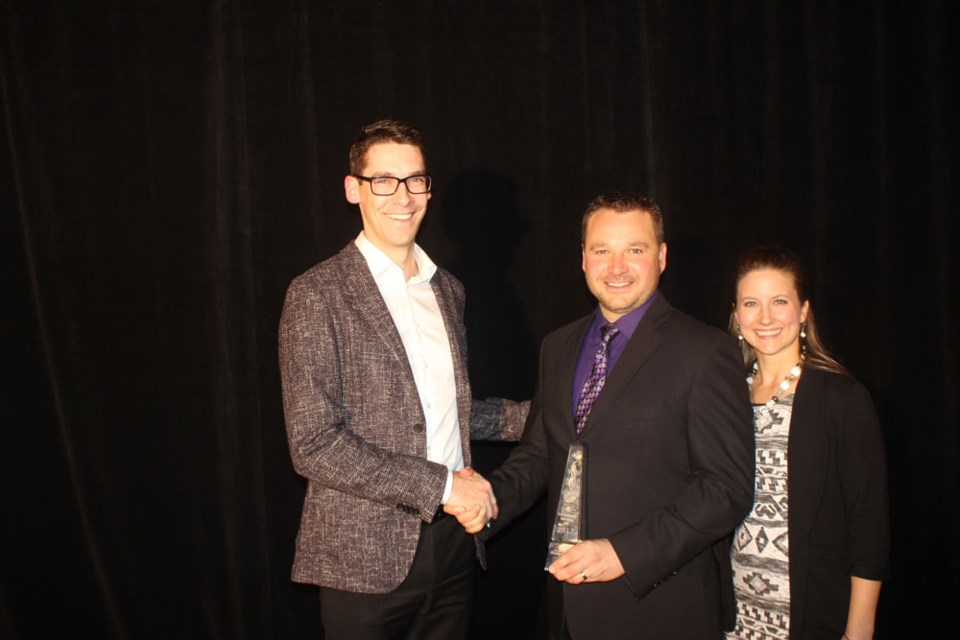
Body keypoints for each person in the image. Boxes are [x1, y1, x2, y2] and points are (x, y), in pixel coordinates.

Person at [278, 118, 528, 639]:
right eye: (384, 180)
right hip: (362, 561)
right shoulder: (316, 294)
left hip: (456, 548)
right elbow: (314, 444)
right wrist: (442, 487)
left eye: (416, 180)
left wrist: (543, 415)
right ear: (354, 189)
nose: (403, 196)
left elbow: (443, 411)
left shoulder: (448, 291)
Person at [469, 194, 755, 639]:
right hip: (567, 607)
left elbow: (726, 488)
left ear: (661, 257)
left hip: (659, 607)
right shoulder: (557, 345)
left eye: (634, 250)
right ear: (583, 259)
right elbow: (543, 453)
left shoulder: (705, 351)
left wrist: (624, 553)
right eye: (602, 250)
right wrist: (489, 498)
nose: (616, 267)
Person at [726, 246, 889, 640]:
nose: (765, 318)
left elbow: (869, 523)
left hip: (812, 616)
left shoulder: (842, 397)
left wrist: (859, 629)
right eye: (751, 303)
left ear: (802, 312)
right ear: (736, 314)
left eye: (779, 301)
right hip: (733, 617)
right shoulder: (724, 397)